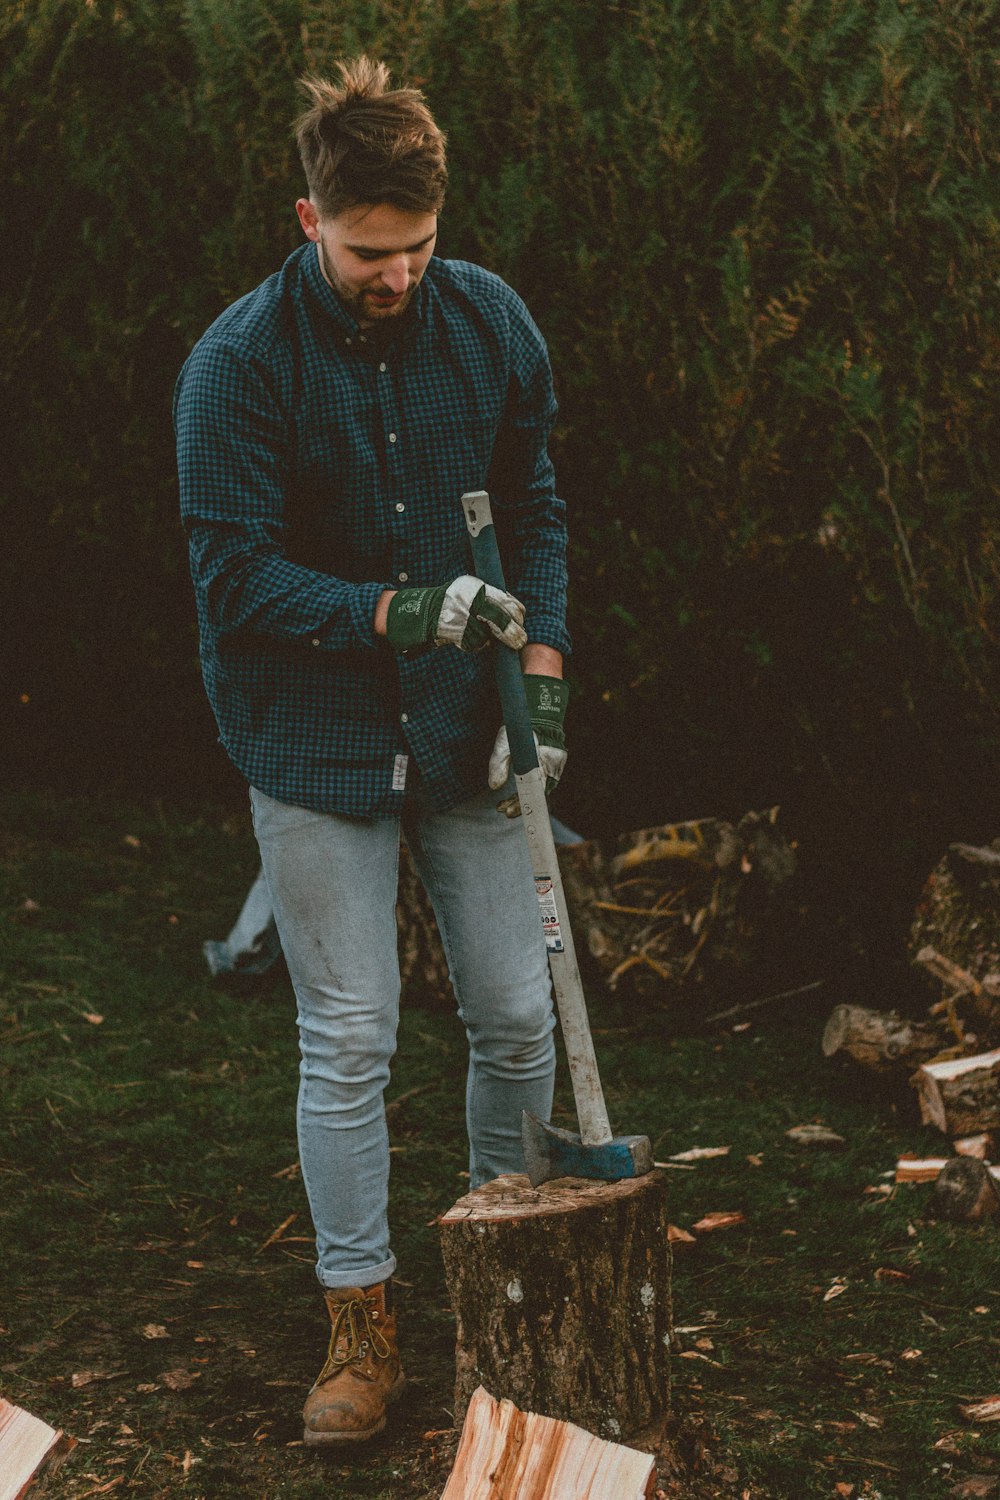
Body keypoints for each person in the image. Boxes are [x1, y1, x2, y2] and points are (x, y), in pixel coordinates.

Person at [174, 56, 571, 1447]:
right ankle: (363, 1328)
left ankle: (505, 1275)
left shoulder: (489, 323)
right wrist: (400, 610)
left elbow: (534, 502)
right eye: (366, 252)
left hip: (469, 734)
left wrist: (546, 668)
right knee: (350, 1037)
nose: (395, 275)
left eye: (416, 249)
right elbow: (234, 583)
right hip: (312, 741)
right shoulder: (236, 367)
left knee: (519, 1019)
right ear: (308, 219)